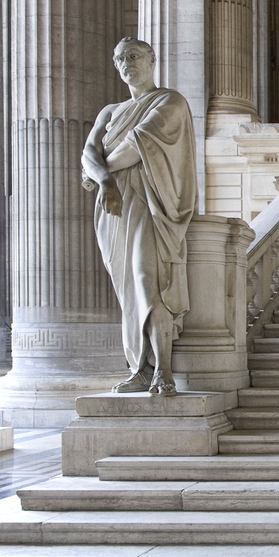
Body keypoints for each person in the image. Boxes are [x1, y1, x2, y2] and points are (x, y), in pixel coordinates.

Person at [81, 38, 197, 396]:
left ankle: (163, 369)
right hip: (114, 207)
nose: (126, 64)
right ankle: (140, 369)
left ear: (152, 60)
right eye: (119, 59)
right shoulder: (110, 111)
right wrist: (103, 180)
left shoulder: (169, 101)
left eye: (133, 56)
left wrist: (100, 172)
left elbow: (138, 143)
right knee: (128, 290)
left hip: (151, 202)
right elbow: (88, 151)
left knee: (149, 280)